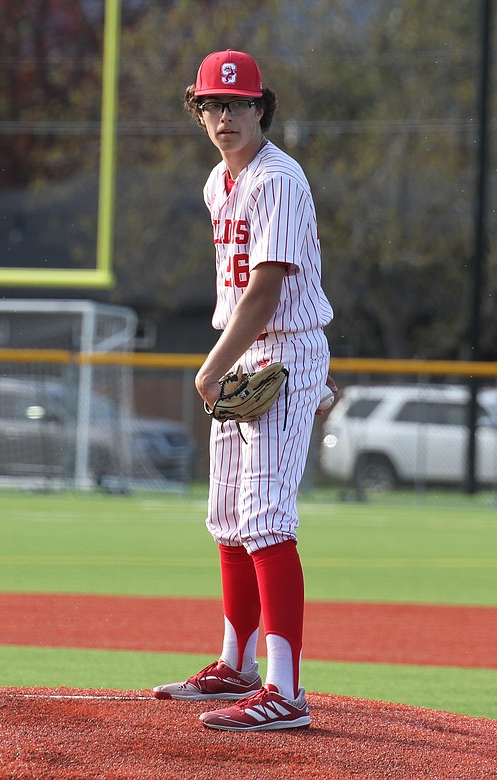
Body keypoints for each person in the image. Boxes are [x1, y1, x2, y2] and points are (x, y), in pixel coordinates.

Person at [151, 49, 336, 732]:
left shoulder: (278, 179)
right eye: (212, 105)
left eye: (238, 103)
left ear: (262, 107)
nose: (225, 115)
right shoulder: (217, 183)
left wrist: (211, 367)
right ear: (198, 112)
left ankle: (286, 690)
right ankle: (238, 662)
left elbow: (267, 292)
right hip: (253, 350)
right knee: (228, 514)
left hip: (276, 349)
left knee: (266, 518)